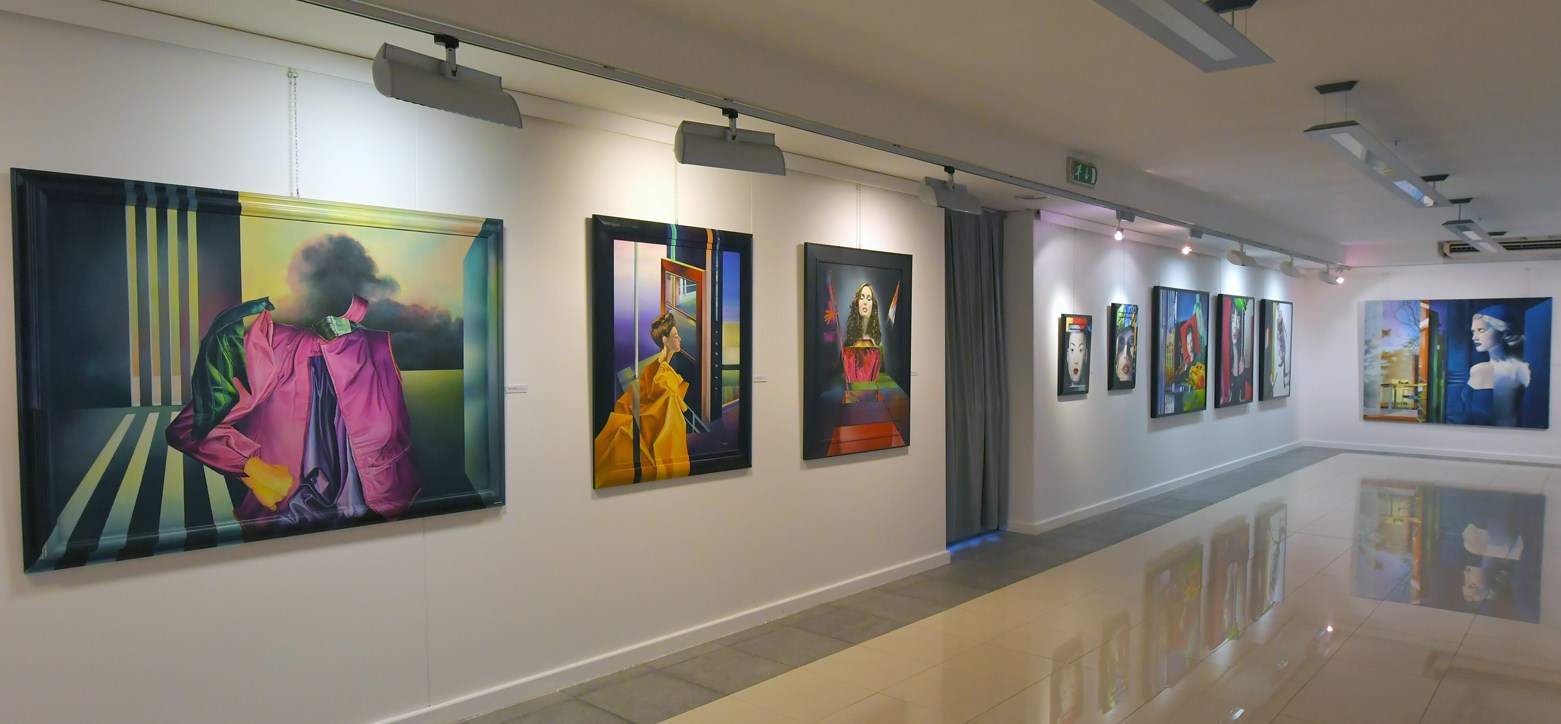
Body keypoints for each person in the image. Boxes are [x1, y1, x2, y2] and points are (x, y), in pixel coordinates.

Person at [592, 311, 692, 487]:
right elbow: (660, 402)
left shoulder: (660, 369)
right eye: (676, 336)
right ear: (665, 341)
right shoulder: (661, 374)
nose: (680, 339)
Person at [1467, 305, 1530, 426]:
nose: (1474, 337)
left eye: (1481, 330)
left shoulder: (1516, 370)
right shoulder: (1476, 369)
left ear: (1503, 332)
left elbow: (1507, 421)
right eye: (1473, 332)